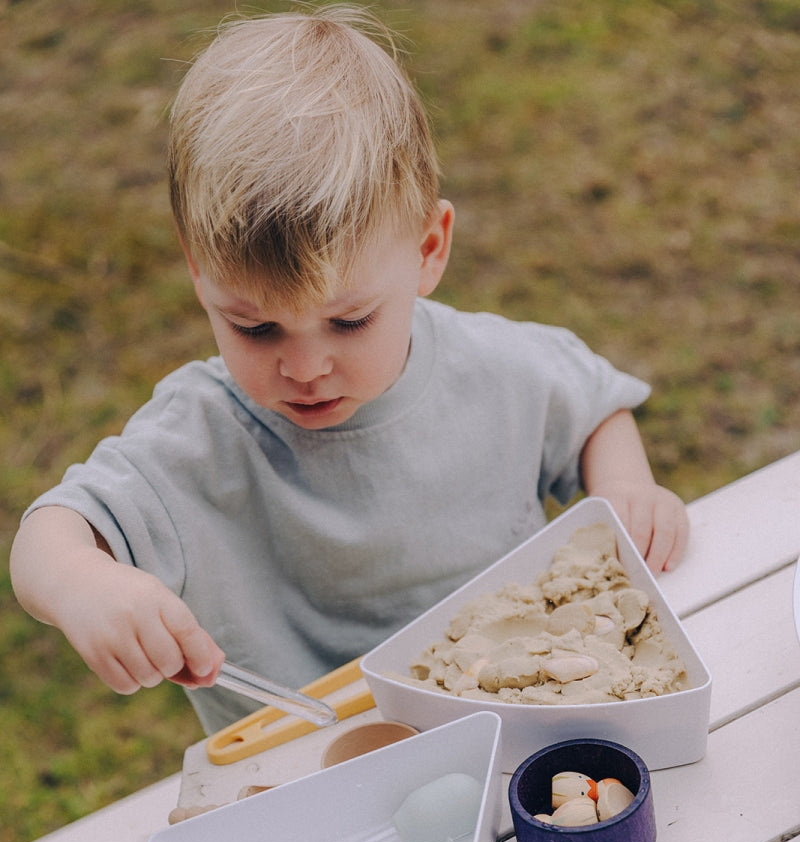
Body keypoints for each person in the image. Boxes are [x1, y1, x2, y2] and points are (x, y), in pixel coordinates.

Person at [10, 6, 689, 735]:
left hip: (515, 718)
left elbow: (592, 409)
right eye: (255, 326)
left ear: (429, 249)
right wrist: (84, 583)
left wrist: (624, 484)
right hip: (309, 774)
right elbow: (49, 538)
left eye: (350, 321)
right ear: (198, 269)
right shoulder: (200, 437)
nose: (305, 367)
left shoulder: (493, 370)